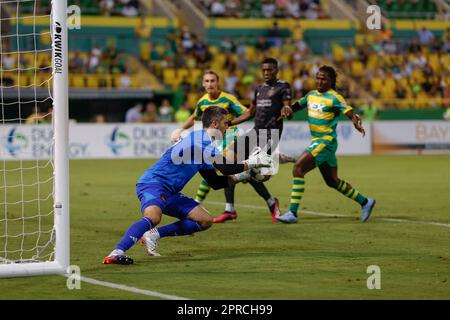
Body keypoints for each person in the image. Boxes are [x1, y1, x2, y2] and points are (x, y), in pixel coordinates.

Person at [103, 107, 272, 264]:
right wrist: (253, 162)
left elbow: (214, 182)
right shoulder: (201, 139)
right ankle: (117, 252)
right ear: (214, 124)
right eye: (225, 122)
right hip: (153, 184)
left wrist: (244, 175)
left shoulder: (205, 146)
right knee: (153, 217)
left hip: (170, 191)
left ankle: (153, 235)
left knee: (205, 220)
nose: (227, 126)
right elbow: (226, 167)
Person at [276, 65, 376, 224]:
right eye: (318, 78)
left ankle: (293, 213)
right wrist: (287, 109)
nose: (320, 81)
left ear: (331, 81)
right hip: (318, 142)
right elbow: (296, 106)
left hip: (326, 142)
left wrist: (356, 122)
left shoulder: (335, 97)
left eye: (324, 79)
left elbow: (350, 113)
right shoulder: (311, 95)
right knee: (332, 181)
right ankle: (366, 202)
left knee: (298, 168)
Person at [222, 57, 296, 223]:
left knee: (253, 173)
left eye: (269, 70)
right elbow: (250, 112)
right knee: (229, 160)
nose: (266, 73)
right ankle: (232, 208)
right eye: (263, 70)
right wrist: (230, 123)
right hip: (254, 133)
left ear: (276, 70)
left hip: (270, 135)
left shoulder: (283, 86)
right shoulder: (259, 89)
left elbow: (287, 105)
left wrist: (287, 109)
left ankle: (273, 164)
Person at [170, 70, 248, 222]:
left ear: (218, 82)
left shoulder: (228, 98)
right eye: (207, 81)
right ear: (203, 83)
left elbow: (245, 113)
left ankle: (226, 206)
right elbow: (194, 117)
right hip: (214, 139)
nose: (210, 84)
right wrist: (181, 129)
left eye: (213, 81)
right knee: (213, 169)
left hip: (229, 136)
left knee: (222, 167)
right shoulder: (202, 101)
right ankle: (262, 196)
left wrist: (229, 124)